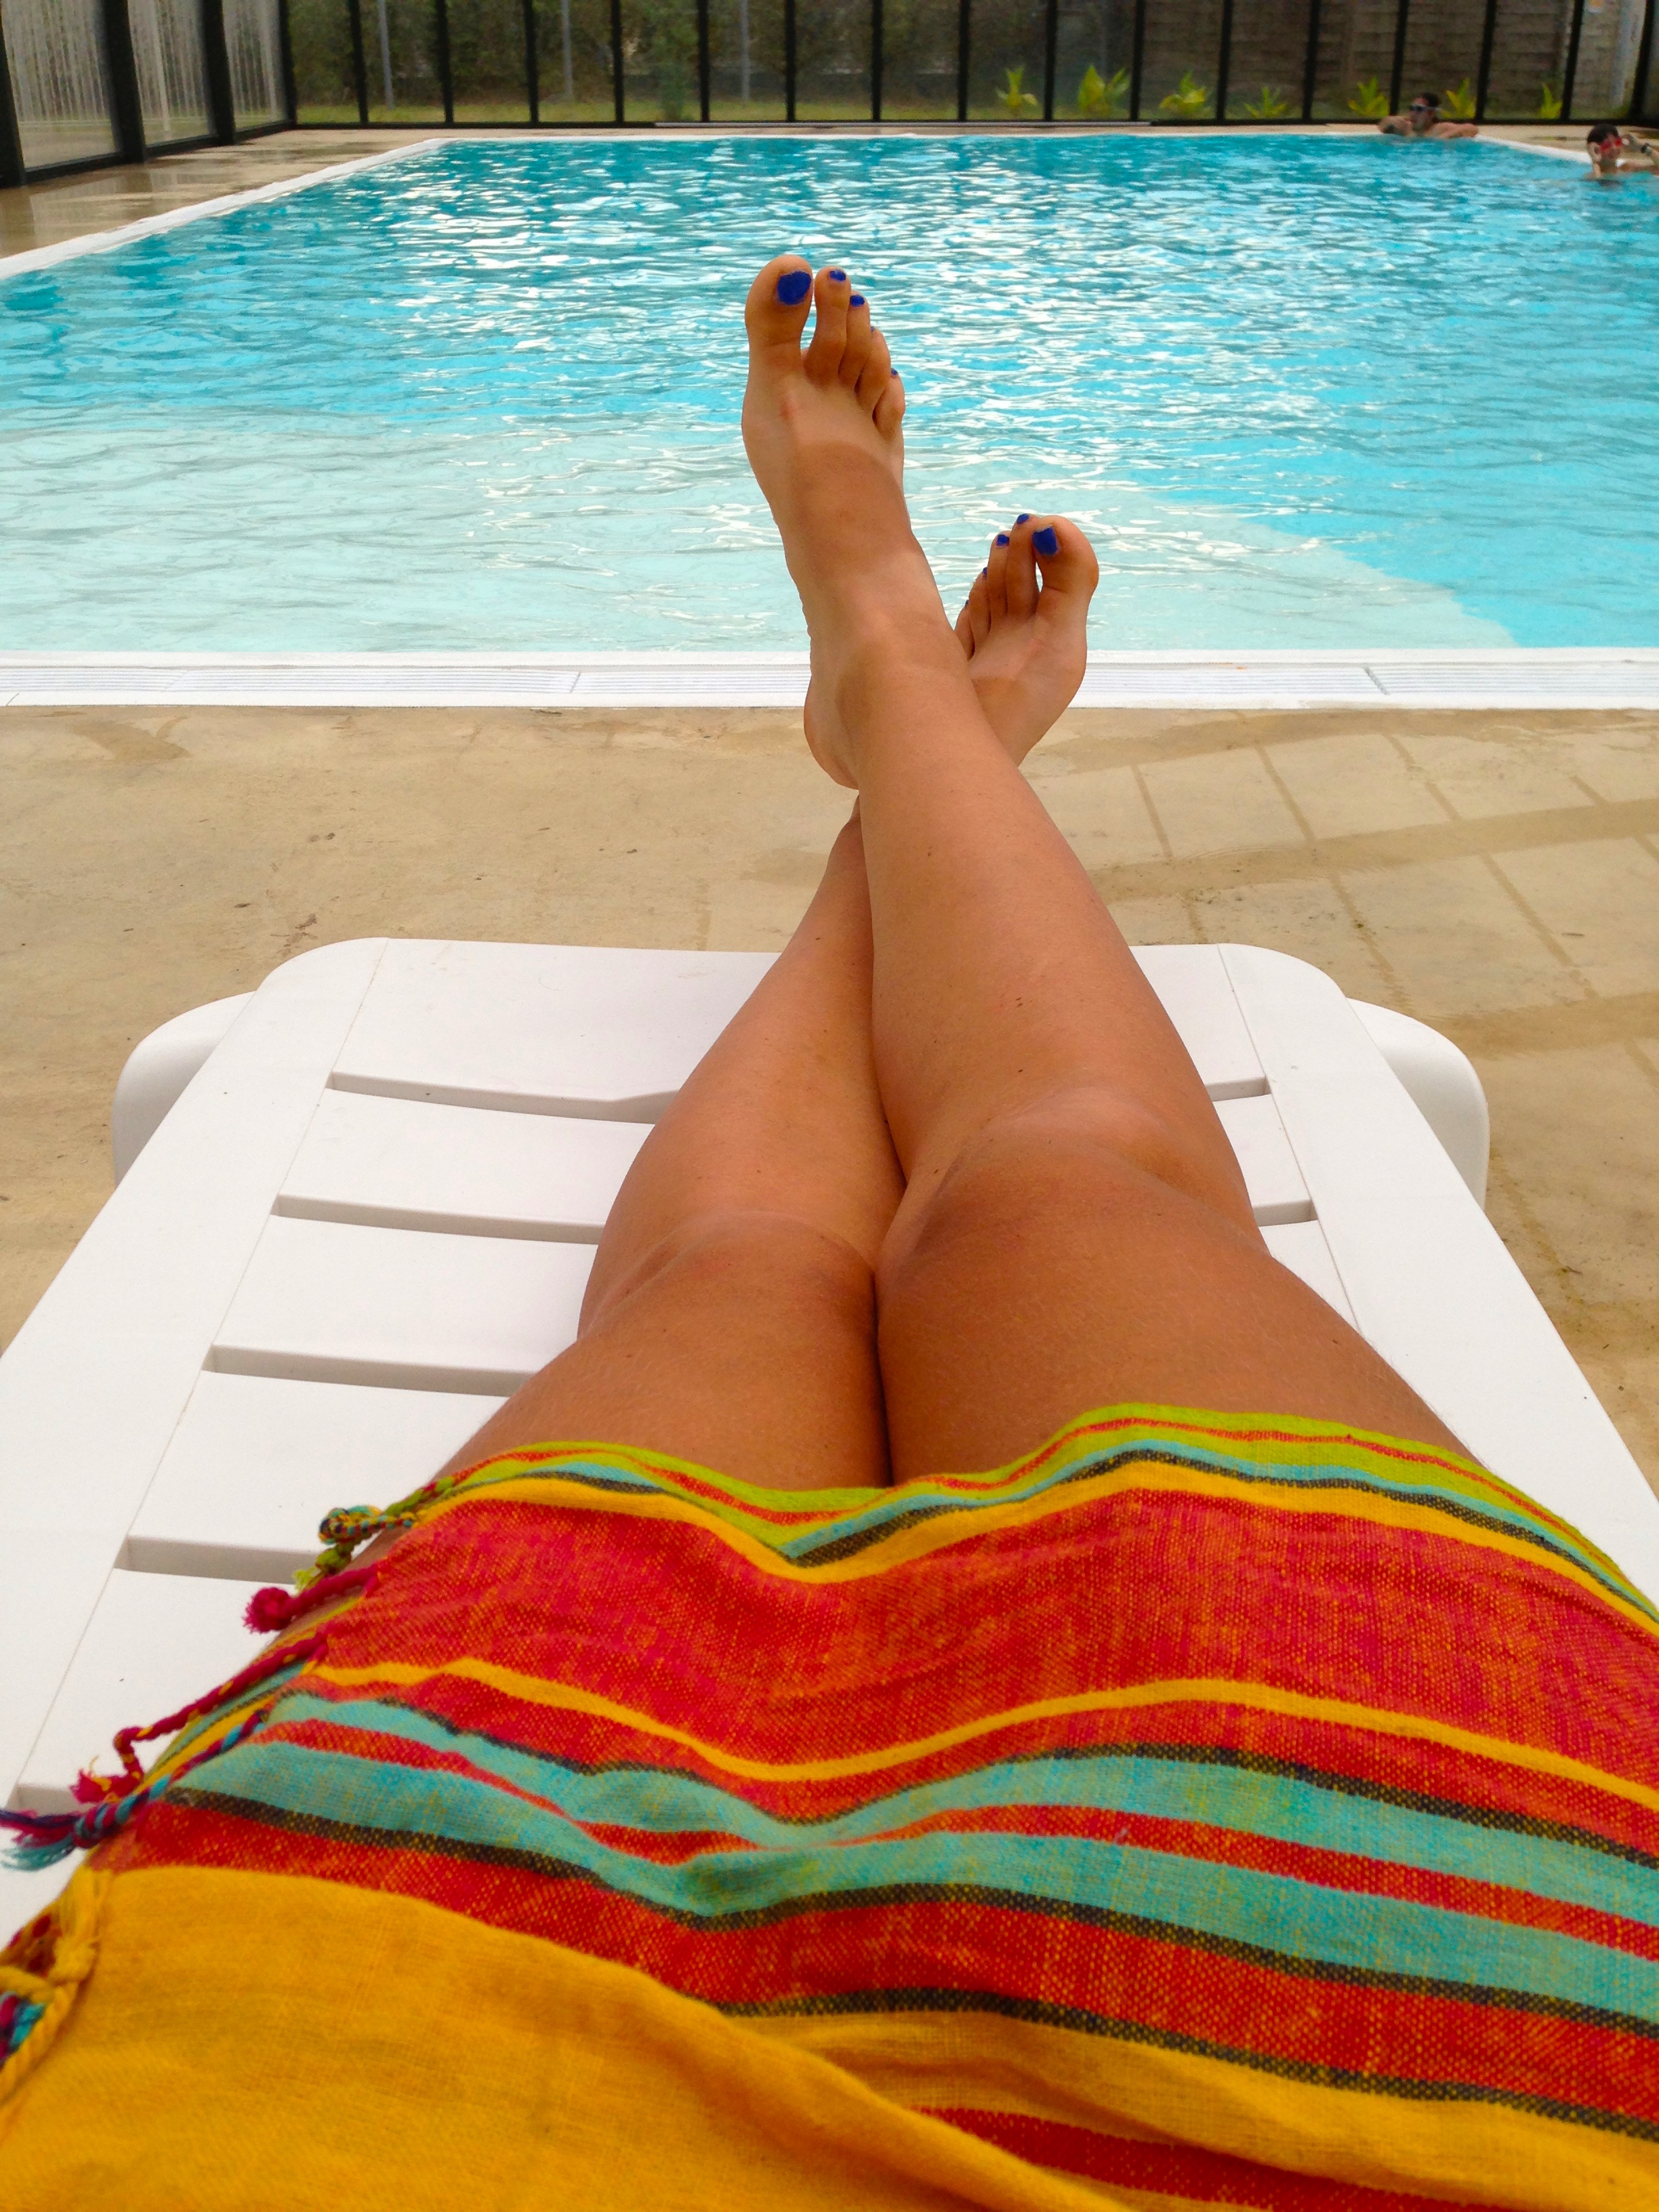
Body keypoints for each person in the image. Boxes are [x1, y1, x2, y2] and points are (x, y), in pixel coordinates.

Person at [3, 257, 1658, 2209]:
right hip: (1460, 1979)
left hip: (394, 2037)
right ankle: (909, 715)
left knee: (762, 1275)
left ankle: (896, 695)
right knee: (1052, 1198)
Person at [1379, 93, 1477, 138]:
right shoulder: (1407, 128)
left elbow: (1471, 128)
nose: (1413, 113)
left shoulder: (1438, 129)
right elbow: (1382, 126)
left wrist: (1443, 138)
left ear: (1432, 114)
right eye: (1412, 108)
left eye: (1419, 109)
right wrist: (1392, 120)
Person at [1586, 119, 1659, 175]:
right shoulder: (1591, 176)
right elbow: (1598, 182)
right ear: (1595, 150)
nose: (1614, 148)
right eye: (1607, 145)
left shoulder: (1628, 169)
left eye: (1617, 142)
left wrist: (1643, 148)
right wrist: (1595, 161)